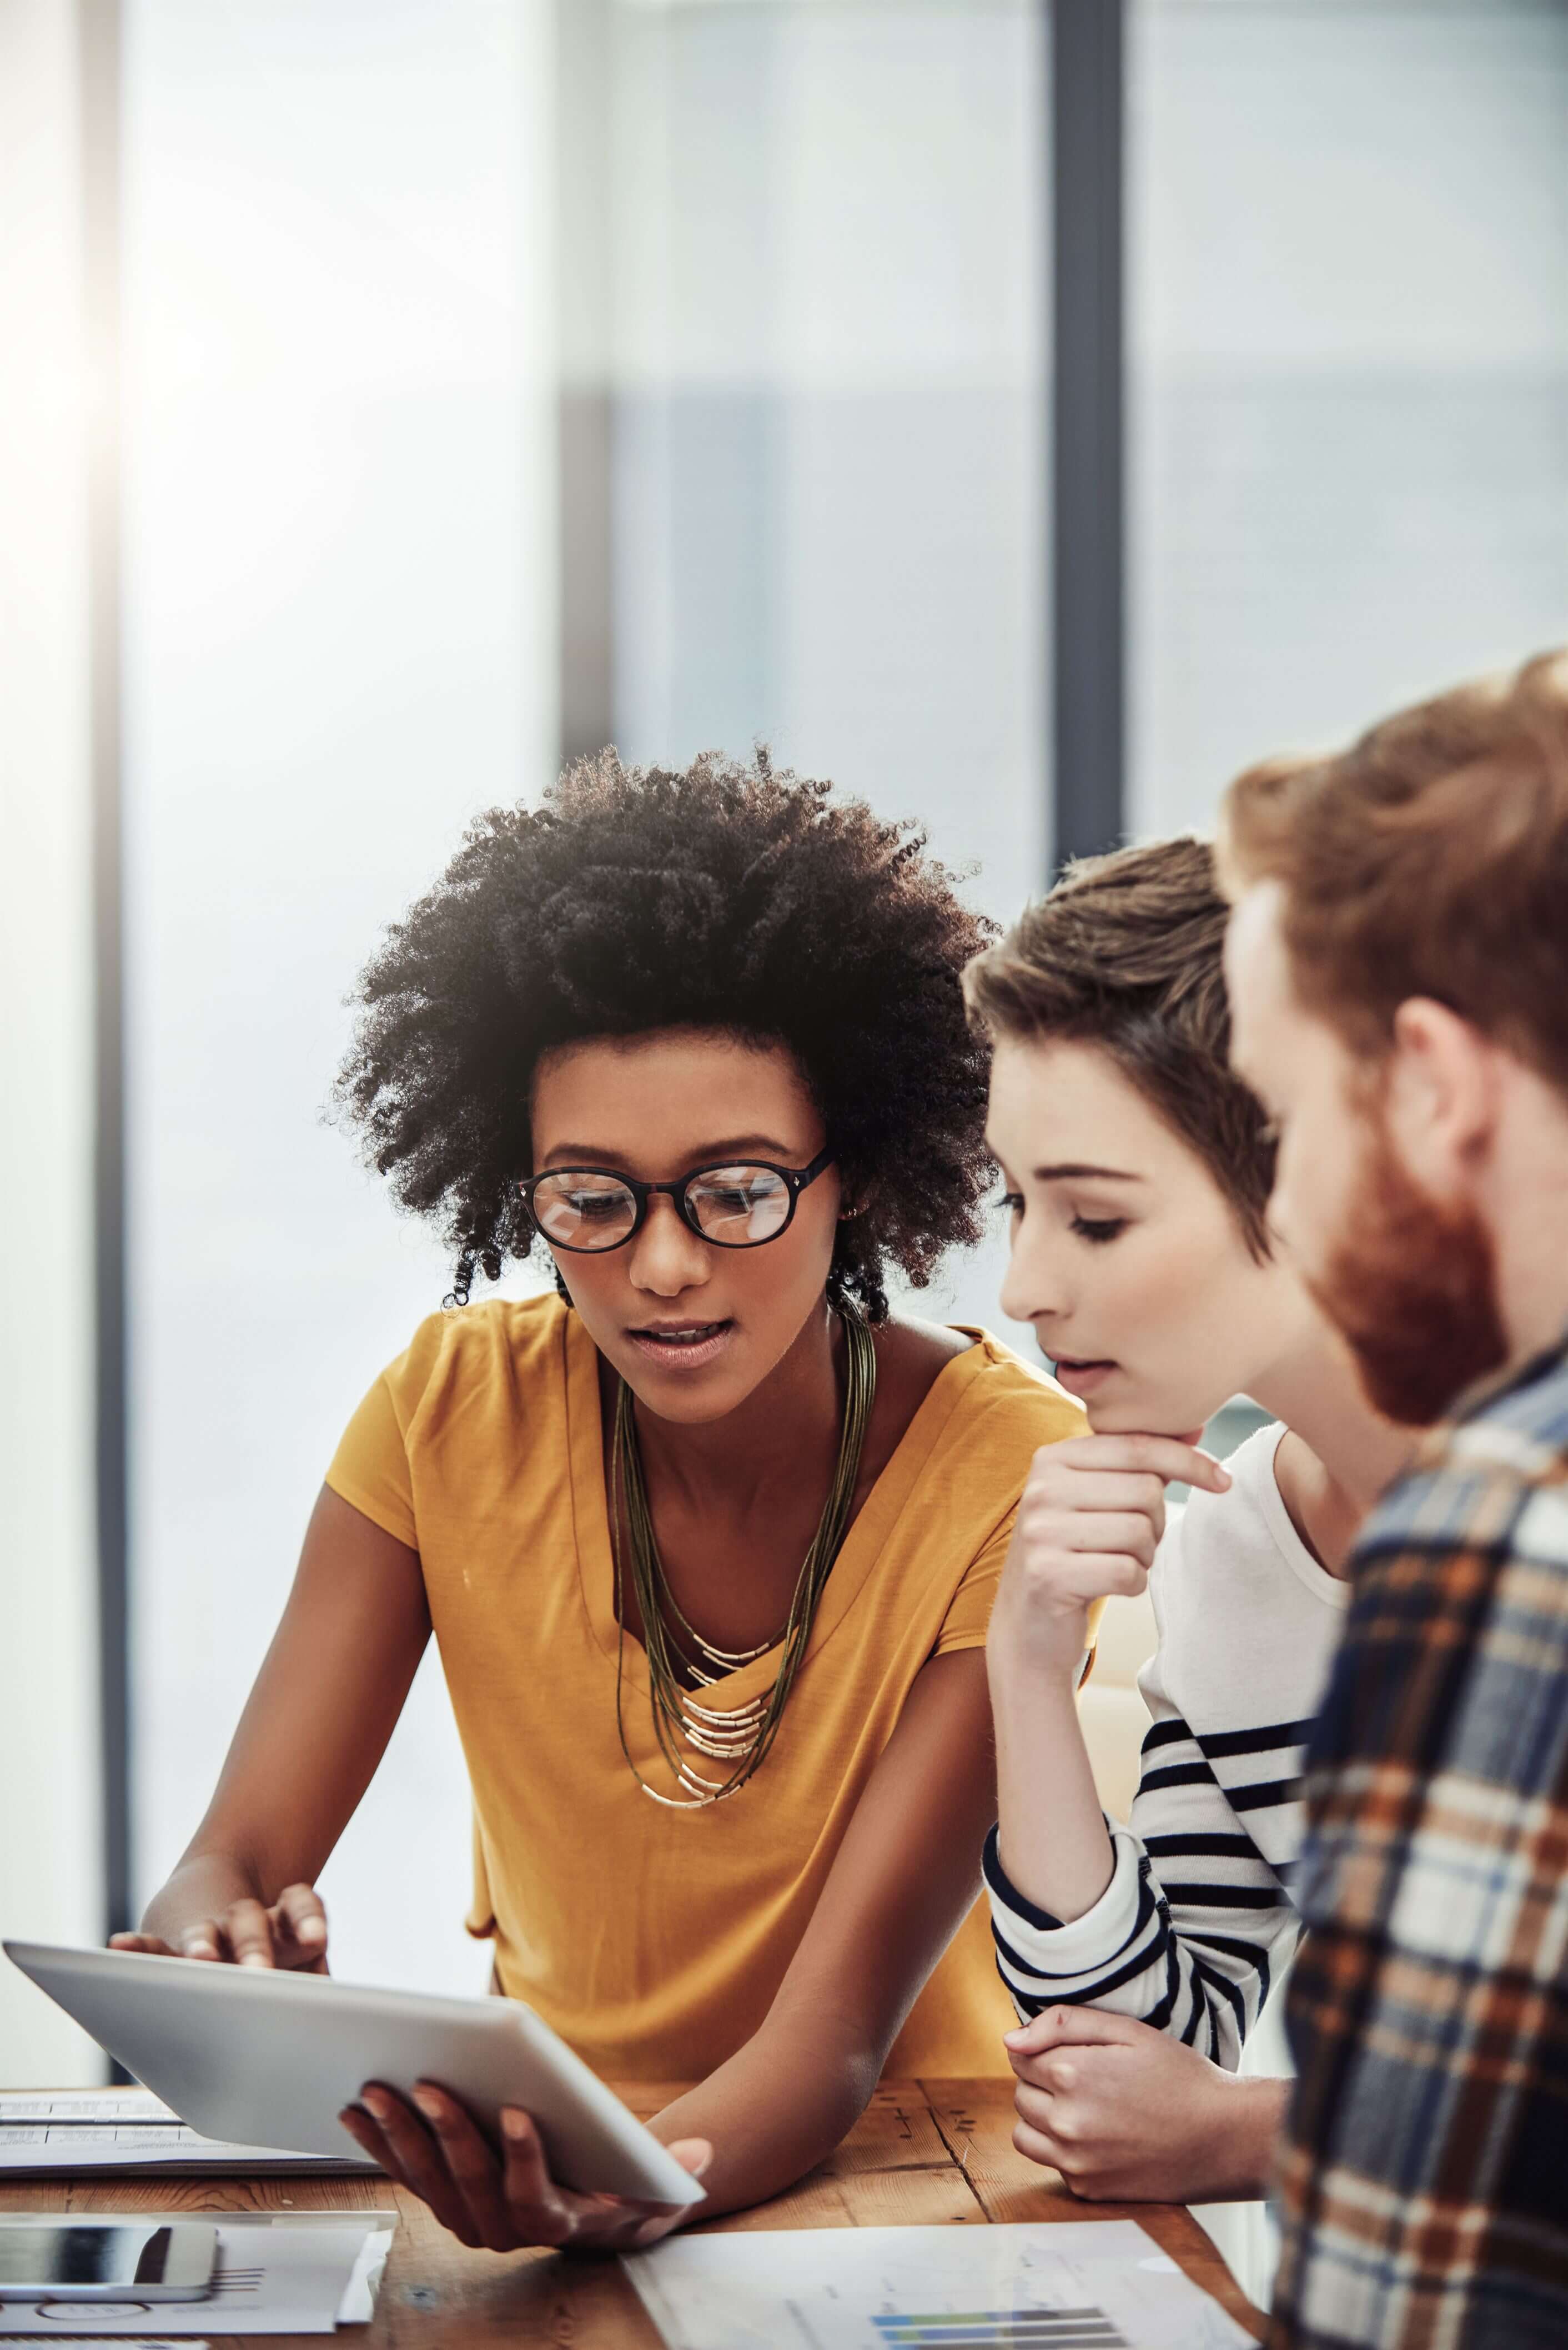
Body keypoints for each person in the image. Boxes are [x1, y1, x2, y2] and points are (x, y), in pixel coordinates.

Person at [113, 750, 1084, 2252]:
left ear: (861, 1178)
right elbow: (230, 1860)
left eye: (739, 1189)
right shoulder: (449, 1413)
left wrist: (629, 2179)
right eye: (592, 1197)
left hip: (904, 2192)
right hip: (551, 2167)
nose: (664, 1266)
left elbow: (830, 2049)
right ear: (524, 1189)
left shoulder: (1008, 1476)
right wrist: (211, 1950)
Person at [962, 838, 1410, 2206]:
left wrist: (1251, 2135)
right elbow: (1131, 2066)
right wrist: (1028, 1662)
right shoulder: (1229, 1556)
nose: (1024, 1284)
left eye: (1092, 1217)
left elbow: (1194, 2119)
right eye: (1014, 1200)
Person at [1219, 647, 1568, 2350]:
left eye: (1282, 1119)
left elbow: (1407, 2307)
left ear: (1434, 1084)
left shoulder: (1508, 1530)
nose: (1277, 1203)